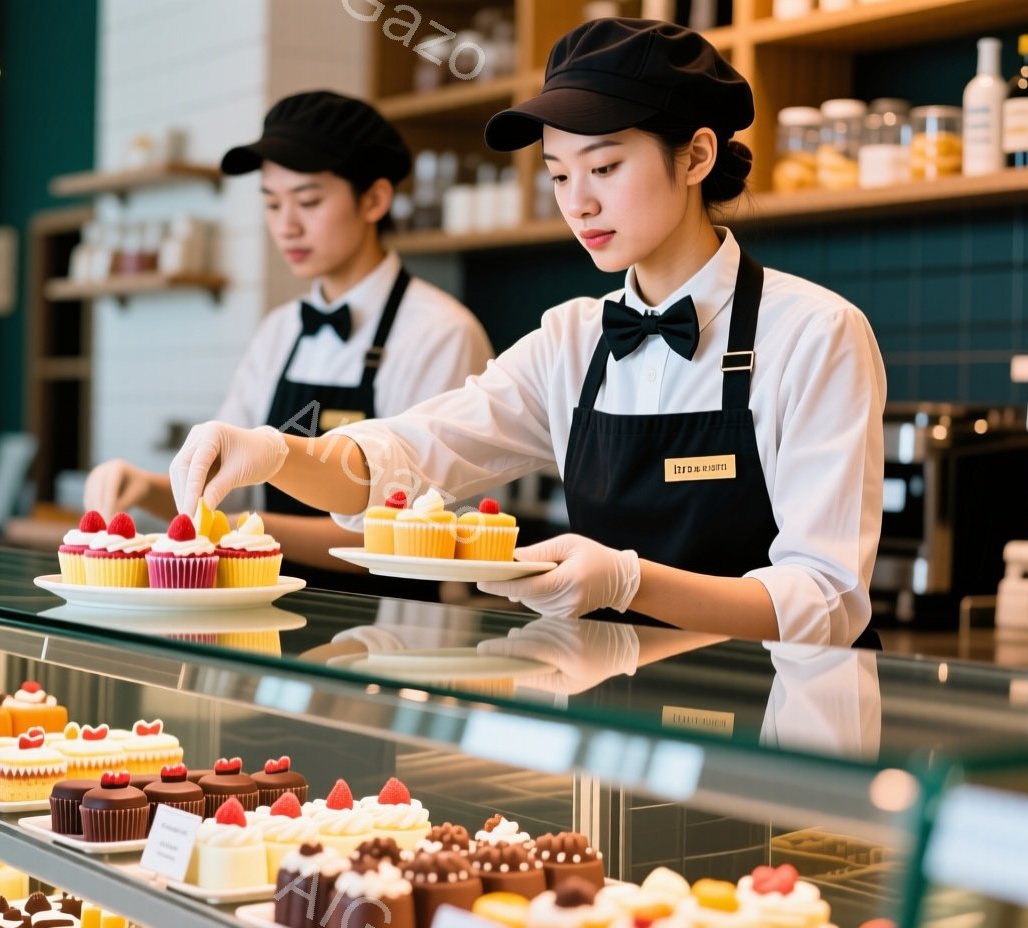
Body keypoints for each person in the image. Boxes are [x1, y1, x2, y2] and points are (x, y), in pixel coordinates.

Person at [165, 20, 886, 646]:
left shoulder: (816, 335)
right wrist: (274, 451)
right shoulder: (570, 340)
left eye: (603, 166)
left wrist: (629, 582)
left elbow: (827, 601)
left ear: (696, 156)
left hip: (779, 731)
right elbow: (408, 457)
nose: (580, 202)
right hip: (612, 716)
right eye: (559, 175)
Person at [83, 90, 493, 594]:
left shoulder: (440, 333)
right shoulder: (280, 330)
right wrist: (147, 487)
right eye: (273, 204)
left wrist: (254, 531)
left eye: (309, 201)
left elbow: (416, 539)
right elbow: (226, 491)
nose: (286, 226)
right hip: (267, 630)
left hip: (387, 632)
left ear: (375, 199)